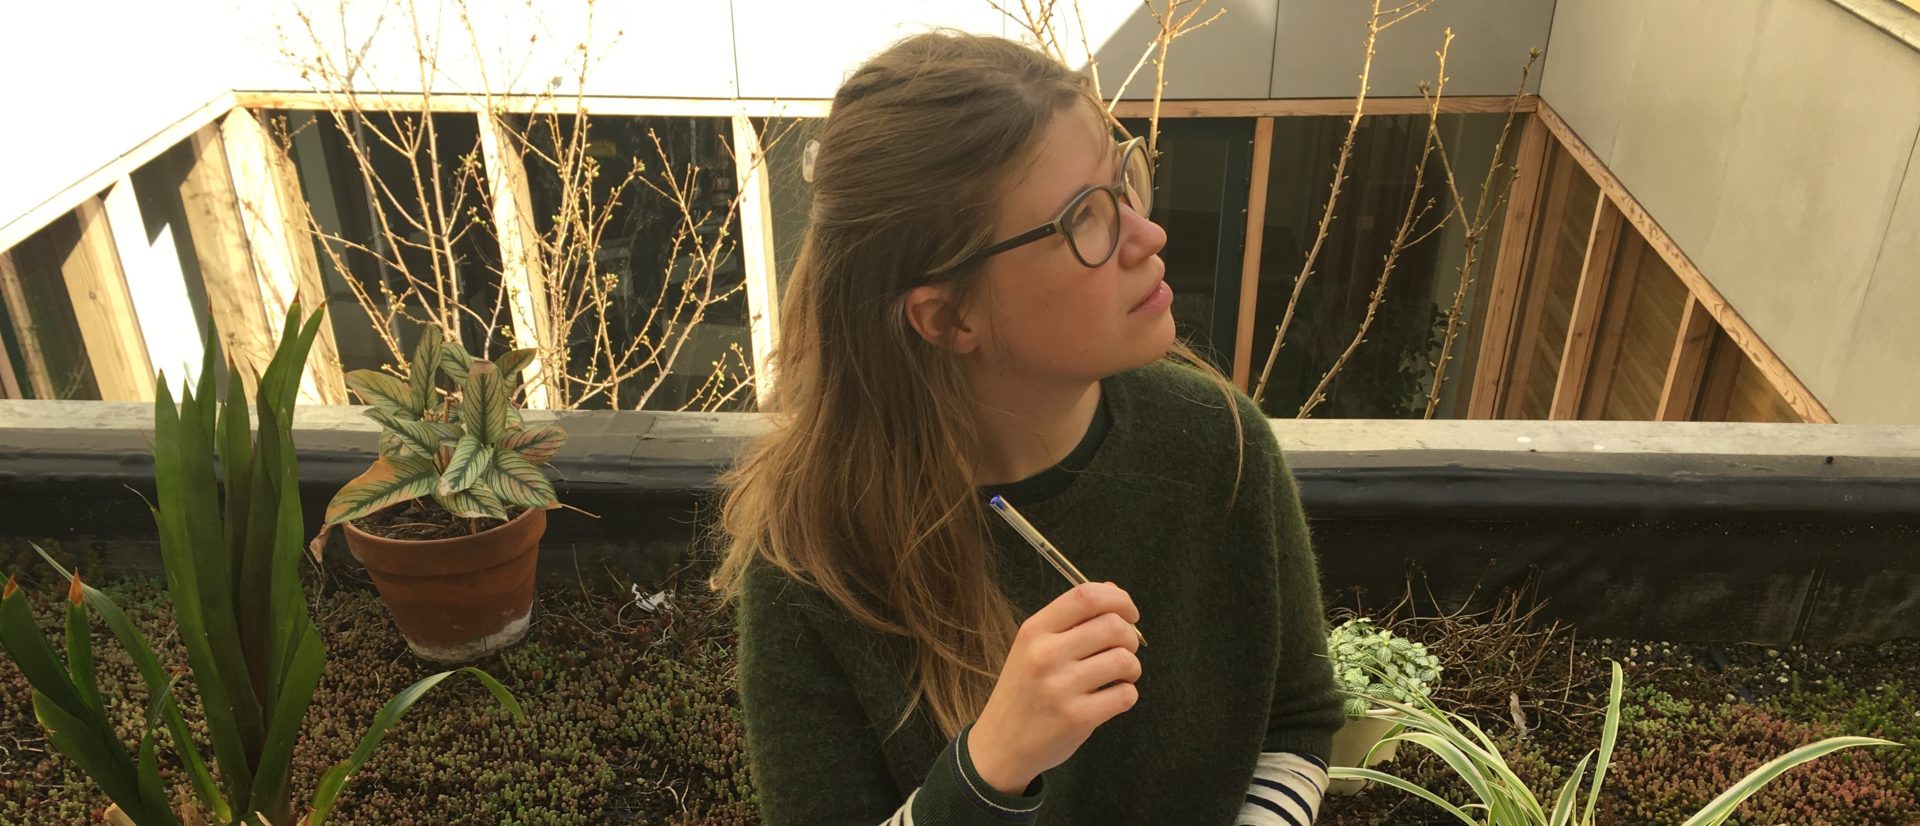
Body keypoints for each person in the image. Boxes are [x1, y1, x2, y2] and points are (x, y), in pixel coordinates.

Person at [708, 30, 1344, 826]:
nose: (1148, 235)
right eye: (1085, 220)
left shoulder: (1218, 443)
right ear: (949, 316)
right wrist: (992, 765)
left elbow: (1296, 722)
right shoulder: (813, 557)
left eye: (1124, 179)